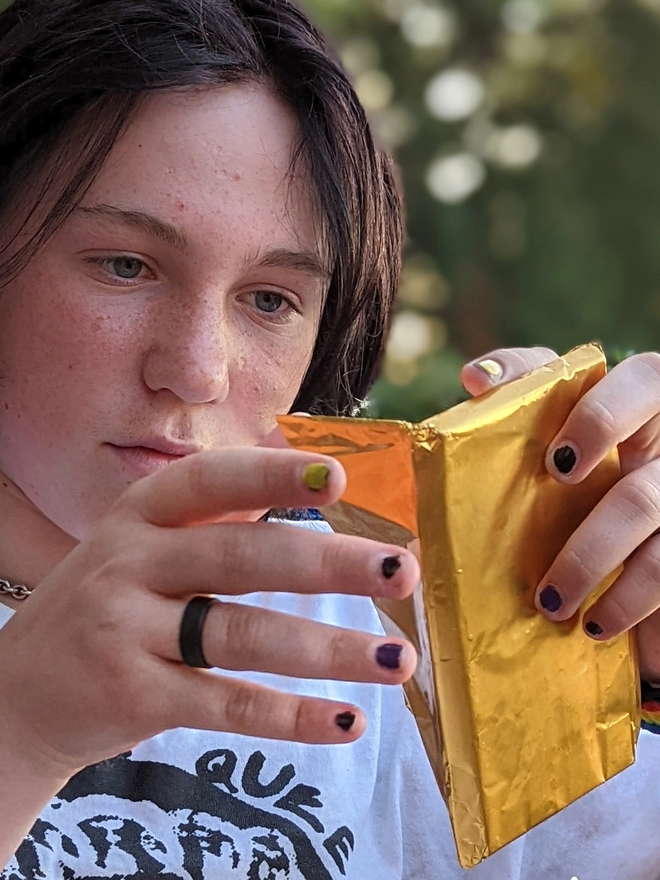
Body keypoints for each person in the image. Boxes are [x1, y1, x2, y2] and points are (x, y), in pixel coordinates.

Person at [0, 0, 659, 877]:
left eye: (270, 299)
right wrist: (20, 732)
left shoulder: (412, 620)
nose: (197, 371)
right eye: (126, 265)